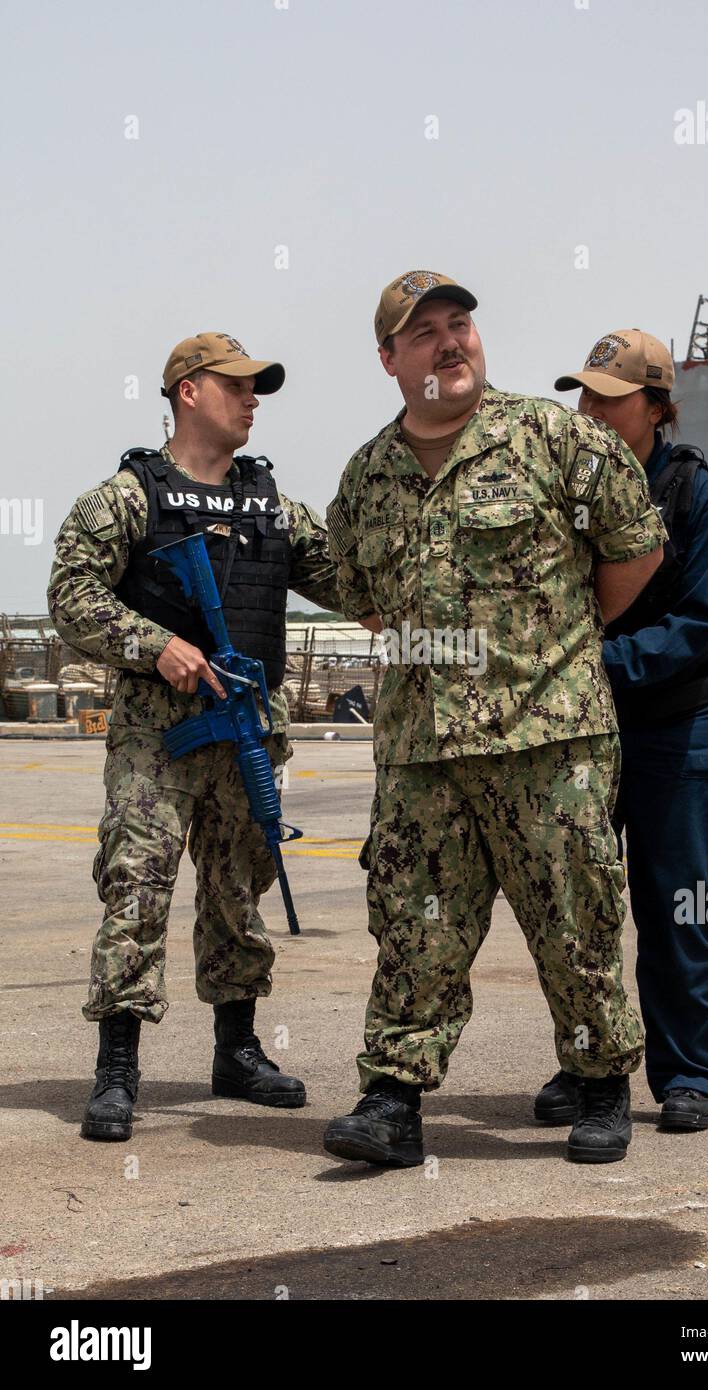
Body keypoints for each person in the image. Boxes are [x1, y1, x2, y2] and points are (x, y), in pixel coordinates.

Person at [322, 271, 666, 1168]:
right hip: (420, 750)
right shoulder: (366, 476)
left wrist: (556, 646)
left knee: (573, 915)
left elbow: (635, 549)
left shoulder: (554, 438)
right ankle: (392, 1101)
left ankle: (599, 1086)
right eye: (426, 332)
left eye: (460, 324)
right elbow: (362, 596)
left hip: (547, 737)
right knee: (410, 924)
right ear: (390, 359)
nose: (451, 343)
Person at [47, 332, 343, 1141]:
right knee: (137, 883)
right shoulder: (128, 497)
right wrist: (157, 645)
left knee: (238, 887)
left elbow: (350, 575)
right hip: (158, 733)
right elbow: (71, 593)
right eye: (237, 386)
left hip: (246, 725)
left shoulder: (273, 506)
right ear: (187, 392)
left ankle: (237, 1052)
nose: (253, 400)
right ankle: (117, 1068)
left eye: (258, 389)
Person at [542, 329, 708, 1131]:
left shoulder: (698, 499)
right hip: (583, 736)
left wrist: (590, 664)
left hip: (671, 731)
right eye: (582, 395)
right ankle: (589, 1065)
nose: (588, 410)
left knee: (675, 906)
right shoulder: (568, 493)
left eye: (607, 397)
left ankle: (689, 1073)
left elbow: (696, 625)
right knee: (578, 912)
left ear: (655, 407)